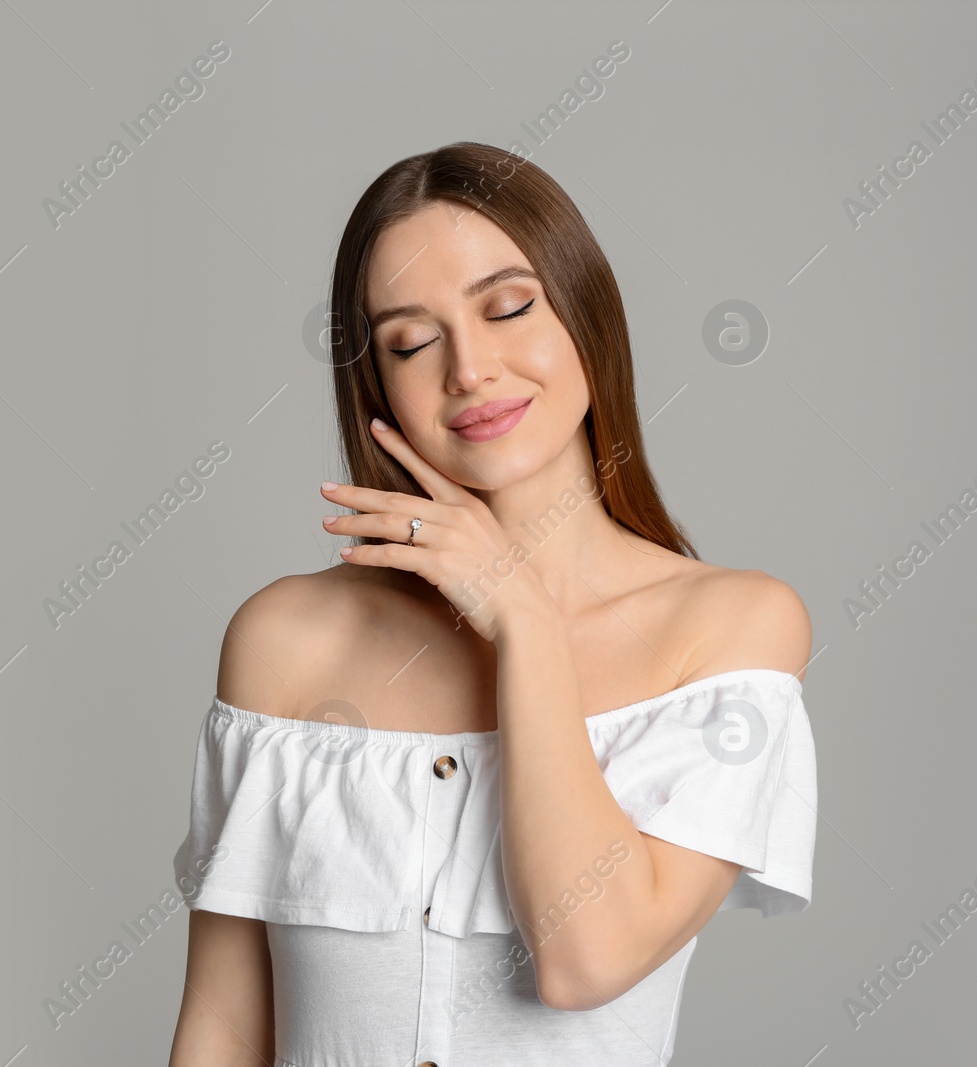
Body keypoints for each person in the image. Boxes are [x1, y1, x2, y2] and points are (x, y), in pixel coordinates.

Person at [168, 141, 818, 1066]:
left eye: (508, 307)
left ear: (587, 320)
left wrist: (524, 617)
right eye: (412, 340)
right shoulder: (286, 640)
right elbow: (223, 1026)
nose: (469, 369)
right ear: (375, 385)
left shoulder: (728, 631)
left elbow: (584, 958)